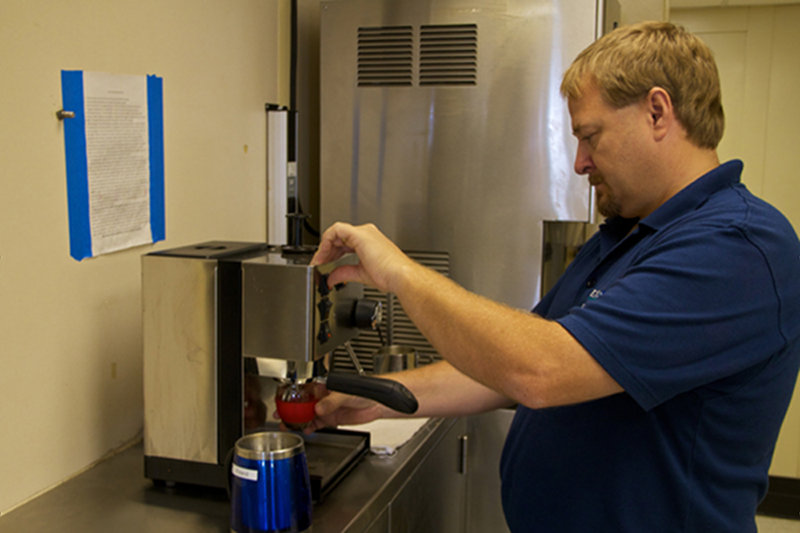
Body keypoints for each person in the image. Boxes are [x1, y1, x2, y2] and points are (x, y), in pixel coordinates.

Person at [308, 21, 800, 532]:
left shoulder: (738, 248)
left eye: (590, 135)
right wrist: (380, 397)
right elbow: (507, 365)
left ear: (658, 111)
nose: (581, 163)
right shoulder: (627, 234)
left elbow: (538, 371)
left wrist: (401, 274)